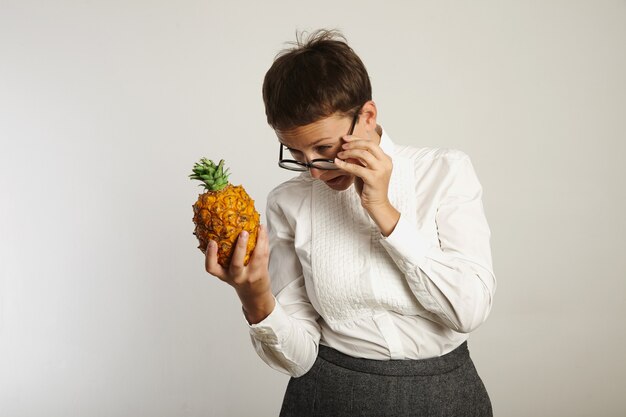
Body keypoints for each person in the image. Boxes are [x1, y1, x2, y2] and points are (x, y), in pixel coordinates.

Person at [205, 29, 496, 417]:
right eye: (295, 152)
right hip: (327, 397)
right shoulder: (288, 202)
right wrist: (256, 295)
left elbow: (469, 311)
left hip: (445, 396)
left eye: (324, 148)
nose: (314, 172)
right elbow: (298, 359)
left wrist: (384, 212)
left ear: (368, 116)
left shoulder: (443, 172)